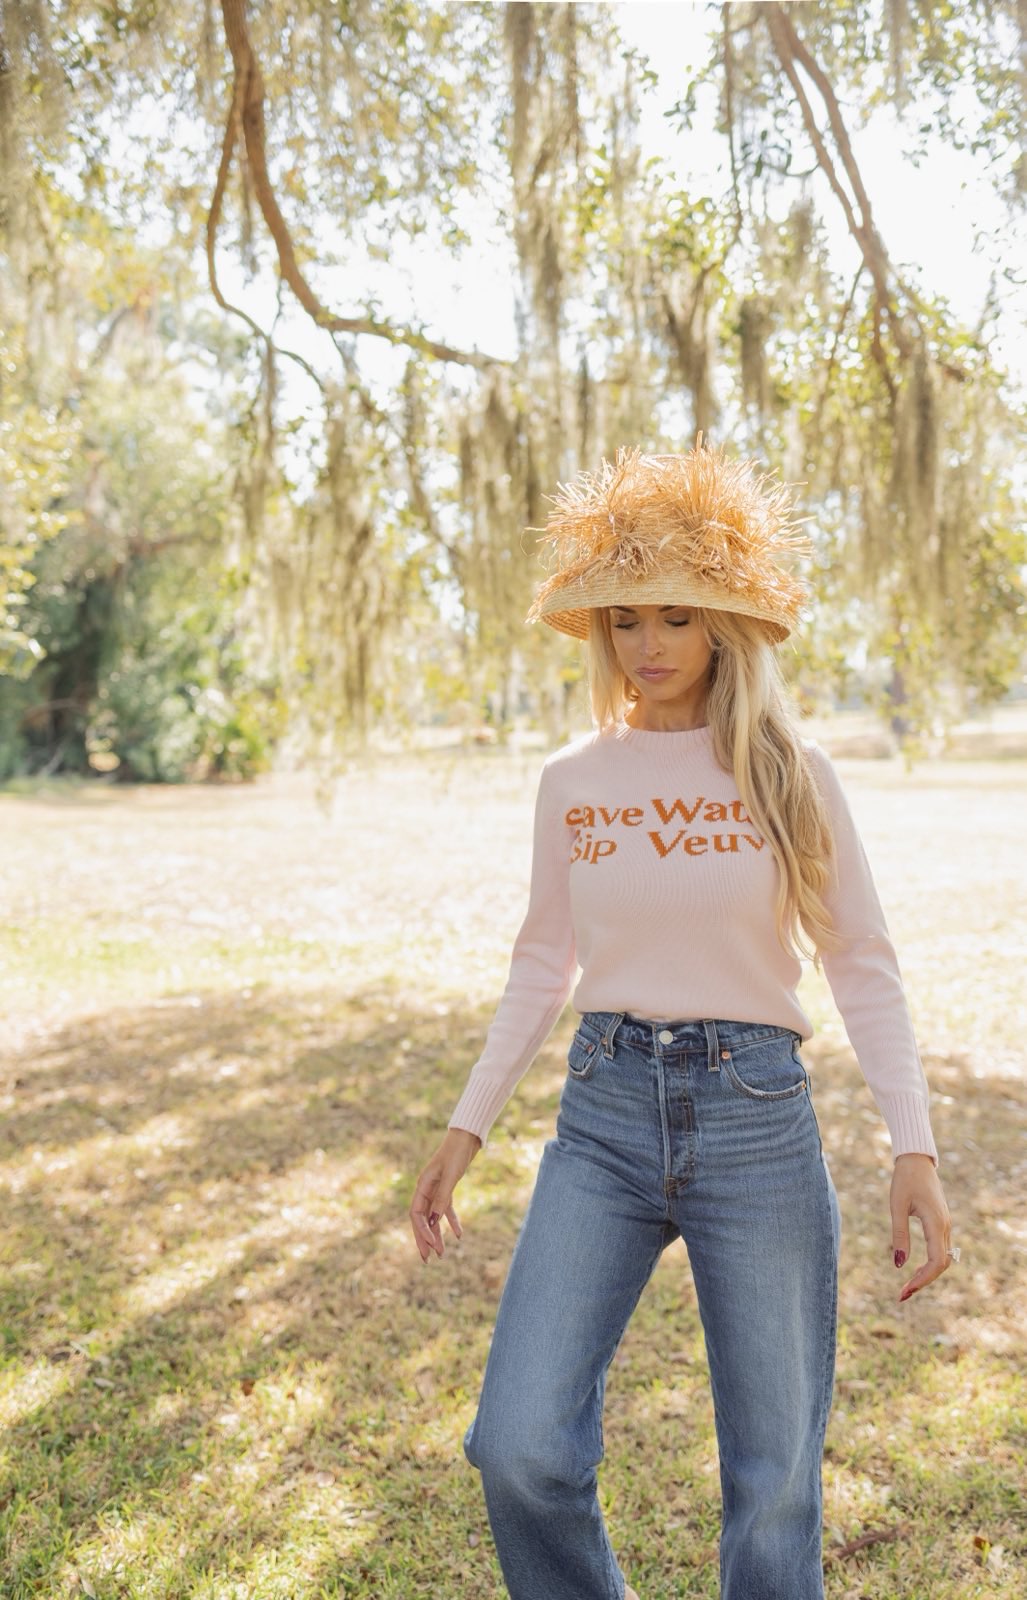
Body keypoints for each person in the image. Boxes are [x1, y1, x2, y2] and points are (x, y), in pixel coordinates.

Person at [409, 439, 956, 1600]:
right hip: (602, 1113)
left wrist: (912, 1144)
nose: (645, 646)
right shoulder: (573, 780)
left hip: (755, 1115)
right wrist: (466, 1126)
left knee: (773, 1487)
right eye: (623, 620)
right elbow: (540, 960)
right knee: (517, 1446)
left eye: (673, 618)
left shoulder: (788, 770)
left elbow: (861, 958)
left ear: (721, 628)